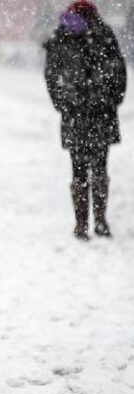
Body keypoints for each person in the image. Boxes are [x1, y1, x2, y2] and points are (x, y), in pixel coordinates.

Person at [44, 0, 126, 240]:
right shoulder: (103, 34)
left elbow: (52, 75)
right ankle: (97, 220)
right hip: (97, 114)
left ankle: (84, 224)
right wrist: (109, 99)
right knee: (99, 167)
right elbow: (118, 72)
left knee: (80, 170)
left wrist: (66, 102)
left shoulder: (64, 37)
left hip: (81, 115)